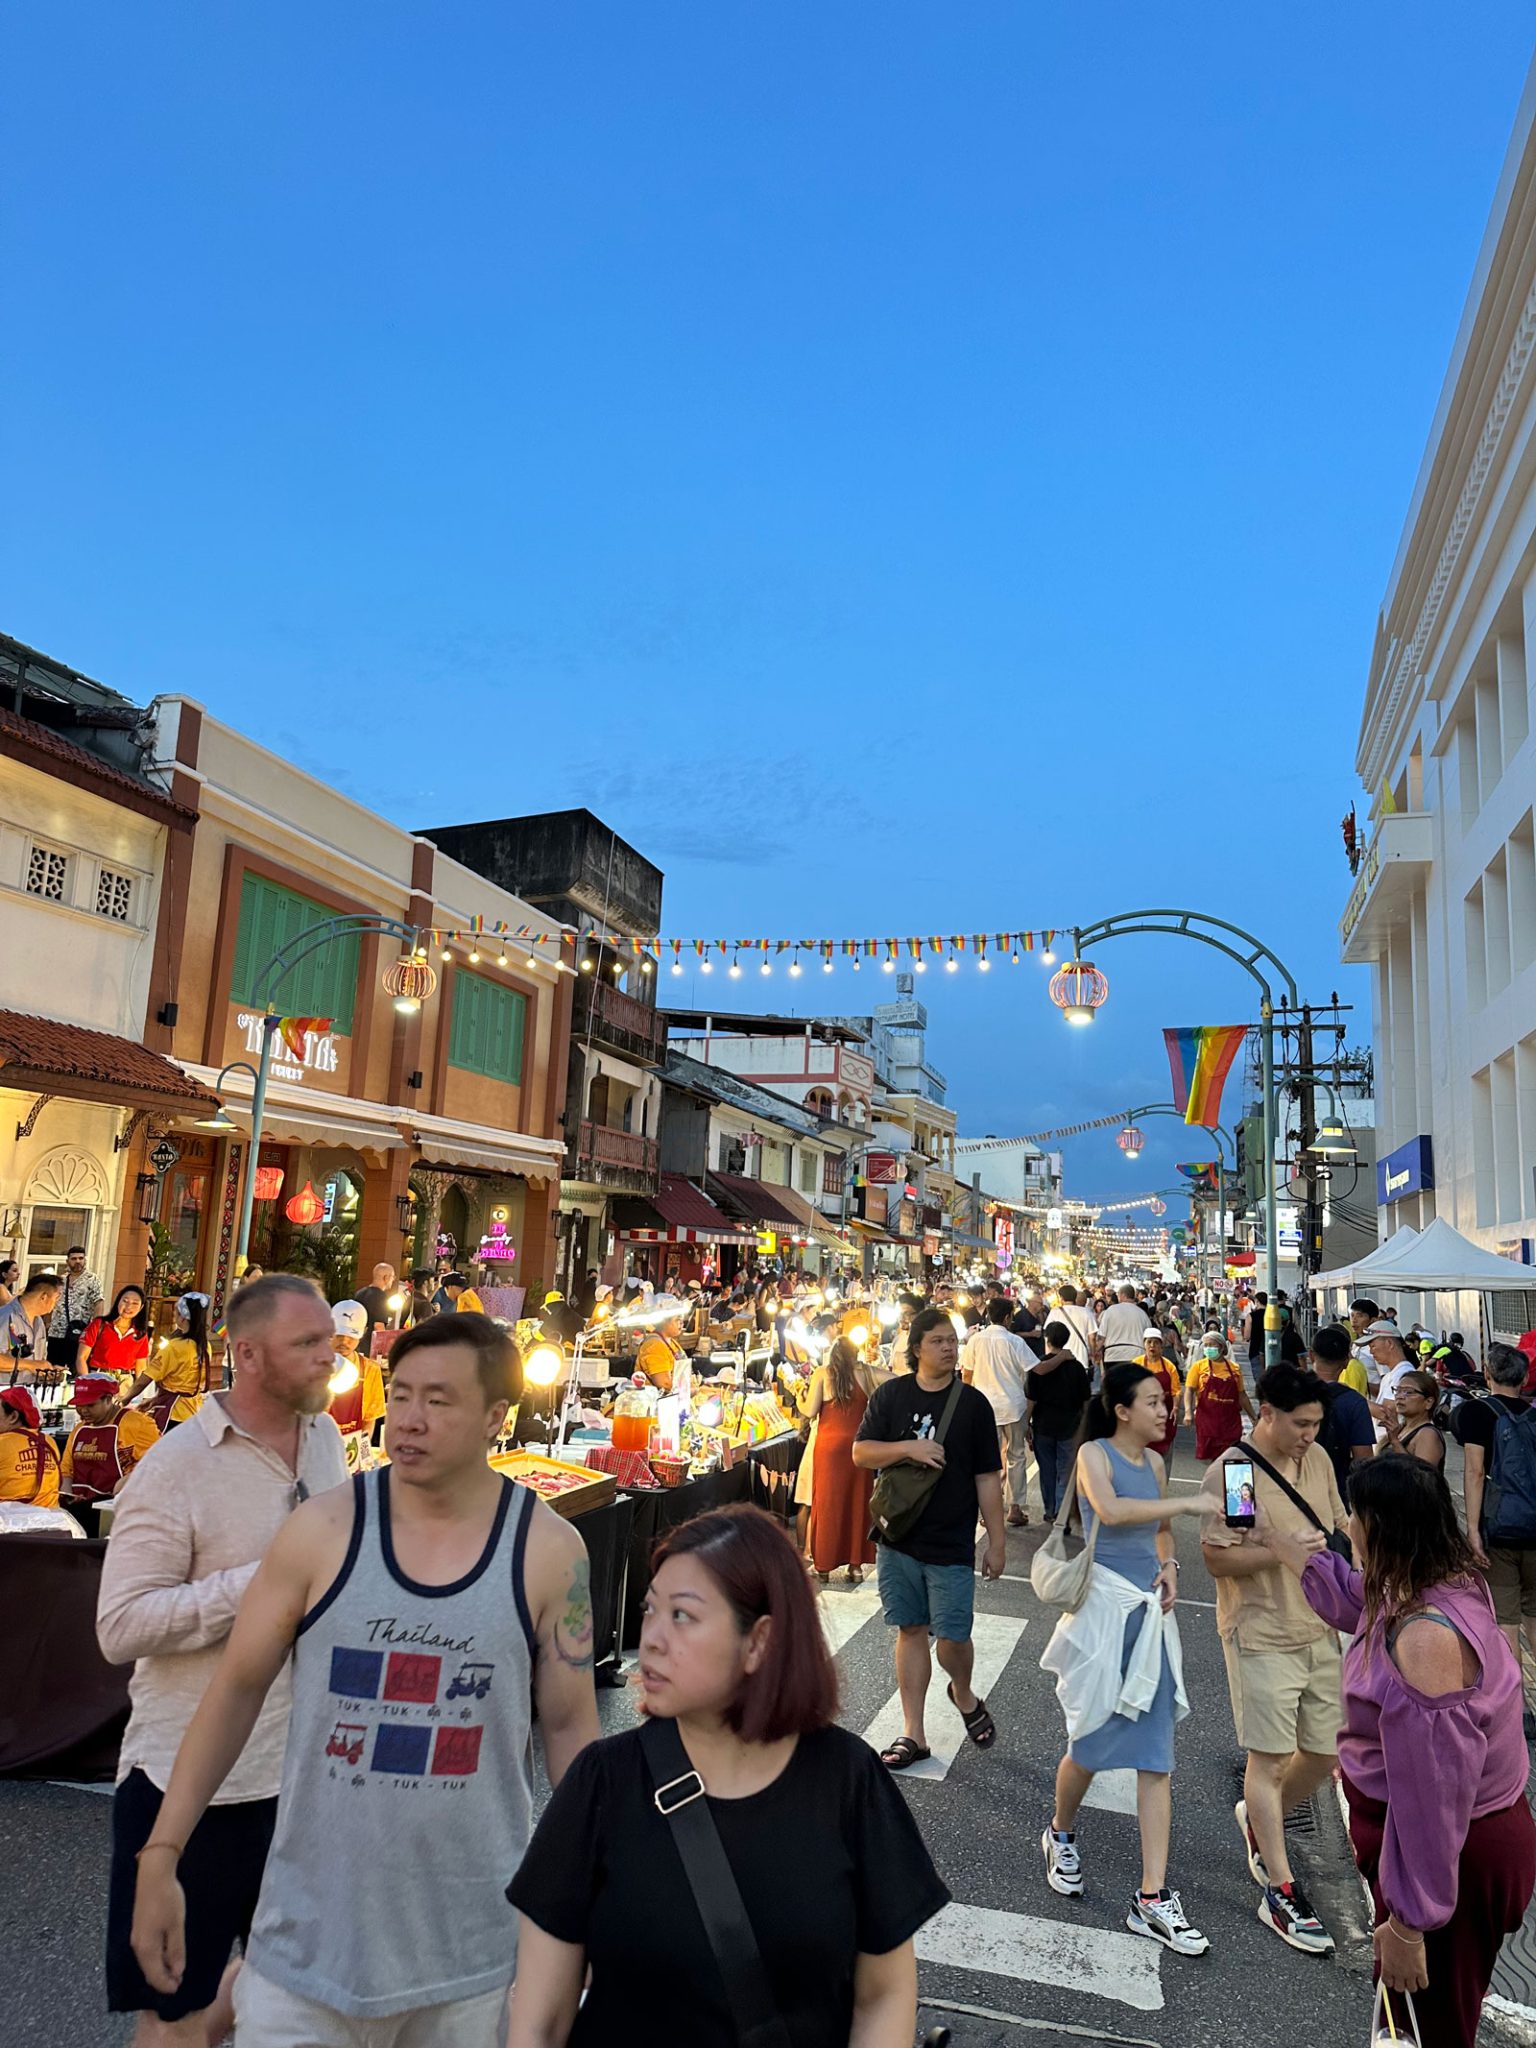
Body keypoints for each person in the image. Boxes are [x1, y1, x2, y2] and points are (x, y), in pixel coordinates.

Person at [129, 1310, 602, 2047]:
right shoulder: (321, 1531)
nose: (408, 1419)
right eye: (401, 1393)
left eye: (438, 1400)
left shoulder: (548, 1550)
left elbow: (571, 1730)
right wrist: (161, 1854)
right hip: (304, 1949)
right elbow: (235, 1692)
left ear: (496, 1418)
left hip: (471, 1955)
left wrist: (592, 1895)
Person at [506, 1504, 948, 2048]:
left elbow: (884, 1994)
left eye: (682, 1616)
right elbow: (540, 2020)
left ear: (759, 1641)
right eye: (650, 1610)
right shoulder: (601, 1782)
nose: (651, 1638)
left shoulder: (849, 1781)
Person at [97, 1273, 350, 2048]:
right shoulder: (178, 1465)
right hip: (188, 1785)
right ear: (248, 1354)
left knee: (298, 1988)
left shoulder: (325, 1439)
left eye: (330, 1340)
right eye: (307, 1342)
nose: (331, 1355)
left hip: (302, 1778)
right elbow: (120, 1627)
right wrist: (264, 1585)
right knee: (172, 2013)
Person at [1258, 1456, 1536, 2048]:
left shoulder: (1426, 1640)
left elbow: (1434, 1801)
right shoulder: (1434, 1582)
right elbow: (1356, 1600)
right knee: (1408, 2020)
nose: (1348, 1526)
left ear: (1381, 1528)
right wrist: (1284, 1545)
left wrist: (1411, 1923)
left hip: (1449, 1862)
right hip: (1445, 1855)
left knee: (1427, 2027)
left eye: (1355, 1515)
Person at [1039, 1363, 1217, 1956]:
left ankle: (1152, 1896)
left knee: (1156, 1756)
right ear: (1121, 1410)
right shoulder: (1095, 1455)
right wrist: (1190, 1505)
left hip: (1150, 1618)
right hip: (1105, 1615)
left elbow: (1159, 1531)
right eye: (1153, 1402)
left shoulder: (1157, 1465)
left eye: (1165, 1401)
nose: (1165, 1411)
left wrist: (1169, 1565)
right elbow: (1112, 1513)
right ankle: (1061, 1832)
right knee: (1089, 1743)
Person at [1201, 1364, 1348, 1956]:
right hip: (1261, 1632)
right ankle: (1280, 1890)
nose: (1310, 1435)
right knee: (1267, 1759)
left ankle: (1259, 1818)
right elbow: (1218, 1558)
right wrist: (1279, 1552)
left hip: (1319, 1630)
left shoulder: (1318, 1460)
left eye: (1316, 1424)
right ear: (1266, 1414)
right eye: (1300, 1424)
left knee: (1326, 1751)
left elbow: (1340, 1524)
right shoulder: (1237, 1474)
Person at [853, 1305, 1006, 1768]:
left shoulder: (973, 1405)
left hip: (952, 1539)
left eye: (952, 1341)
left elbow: (987, 1476)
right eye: (938, 1341)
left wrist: (996, 1541)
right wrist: (909, 1448)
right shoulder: (892, 1394)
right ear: (916, 1348)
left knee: (953, 1639)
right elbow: (861, 1452)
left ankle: (963, 1691)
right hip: (898, 1534)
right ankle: (913, 1733)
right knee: (910, 1628)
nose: (948, 1348)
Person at [1456, 1341, 1536, 1677]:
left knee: (1505, 1624)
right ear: (1525, 1378)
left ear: (1487, 1374)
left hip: (1500, 1529)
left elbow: (1475, 1472)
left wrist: (1473, 1530)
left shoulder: (1476, 1413)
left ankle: (1514, 1703)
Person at [804, 1336, 881, 1584]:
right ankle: (855, 1567)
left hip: (828, 1449)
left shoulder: (821, 1373)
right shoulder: (865, 1374)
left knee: (827, 1504)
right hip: (858, 1446)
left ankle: (823, 1566)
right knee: (858, 1502)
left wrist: (799, 1398)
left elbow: (810, 1410)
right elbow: (896, 1379)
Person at [961, 1297, 1035, 1526]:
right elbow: (1032, 1370)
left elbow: (966, 1374)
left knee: (986, 1460)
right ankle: (1015, 1507)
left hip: (984, 1408)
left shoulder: (975, 1340)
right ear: (1007, 1318)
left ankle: (987, 1511)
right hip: (1013, 1406)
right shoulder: (1015, 1341)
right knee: (1016, 1457)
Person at [1026, 1320, 1091, 1521]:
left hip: (1043, 1425)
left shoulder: (1038, 1366)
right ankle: (1063, 1512)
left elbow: (1031, 1399)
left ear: (1047, 1339)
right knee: (1065, 1471)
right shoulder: (1076, 1367)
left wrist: (1026, 1424)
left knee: (1047, 1471)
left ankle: (1050, 1510)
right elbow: (1086, 1399)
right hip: (1070, 1425)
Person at [61, 1375, 160, 1503]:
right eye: (79, 1405)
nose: (83, 1411)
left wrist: (125, 1483)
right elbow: (66, 1471)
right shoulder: (79, 1429)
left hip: (117, 1503)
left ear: (108, 1399)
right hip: (80, 1504)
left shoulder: (138, 1424)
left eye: (90, 1405)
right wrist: (68, 1495)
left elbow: (156, 1465)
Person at [123, 1294, 212, 1430]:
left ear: (183, 1317)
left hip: (173, 1413)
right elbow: (184, 1386)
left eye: (176, 1312)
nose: (174, 1315)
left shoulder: (175, 1347)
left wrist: (124, 1399)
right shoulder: (206, 1346)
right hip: (194, 1411)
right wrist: (155, 1400)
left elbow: (144, 1380)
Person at [1309, 1325, 1375, 1499]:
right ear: (1346, 1361)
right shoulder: (1354, 1402)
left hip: (1290, 1494)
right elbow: (1363, 1460)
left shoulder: (1290, 1392)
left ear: (1311, 1355)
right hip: (1336, 1494)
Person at [324, 1299, 387, 1469]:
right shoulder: (312, 1366)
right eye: (339, 1335)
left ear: (364, 1332)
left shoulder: (370, 1370)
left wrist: (358, 1456)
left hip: (351, 1456)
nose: (344, 1342)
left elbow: (369, 1420)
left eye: (351, 1336)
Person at [1182, 1331, 1254, 1463]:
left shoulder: (1234, 1369)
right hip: (1207, 1423)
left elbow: (1242, 1395)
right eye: (1206, 1345)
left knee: (1230, 1460)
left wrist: (1253, 1417)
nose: (1208, 1348)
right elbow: (1189, 1390)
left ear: (1221, 1347)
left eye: (1212, 1345)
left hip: (1230, 1424)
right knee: (1210, 1461)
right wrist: (1188, 1412)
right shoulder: (1198, 1367)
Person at [0, 1385, 62, 1505]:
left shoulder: (2, 1443)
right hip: (50, 1514)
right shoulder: (49, 1441)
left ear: (13, 1417)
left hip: (9, 1515)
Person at [77, 1286, 153, 1381]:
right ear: (118, 1301)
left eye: (135, 1303)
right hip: (99, 1378)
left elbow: (141, 1368)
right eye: (125, 1301)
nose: (128, 1307)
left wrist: (139, 1388)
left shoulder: (140, 1333)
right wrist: (87, 1381)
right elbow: (81, 1357)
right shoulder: (99, 1324)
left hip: (126, 1382)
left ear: (141, 1307)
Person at [47, 1243, 105, 1367]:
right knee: (52, 1368)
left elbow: (99, 1302)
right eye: (74, 1259)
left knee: (74, 1368)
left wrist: (96, 1328)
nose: (77, 1261)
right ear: (67, 1261)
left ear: (85, 1260)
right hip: (57, 1332)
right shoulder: (61, 1280)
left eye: (80, 1258)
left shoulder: (92, 1279)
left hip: (78, 1332)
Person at [1382, 1369, 1445, 1471]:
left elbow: (1423, 1475)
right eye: (1398, 1390)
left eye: (1408, 1392)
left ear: (1428, 1402)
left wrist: (1395, 1442)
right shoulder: (1401, 1428)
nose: (1400, 1396)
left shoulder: (1427, 1434)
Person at [3, 1270, 61, 1378]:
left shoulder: (39, 1322)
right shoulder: (5, 1317)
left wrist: (48, 1370)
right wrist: (31, 1365)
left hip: (30, 1386)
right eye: (56, 1298)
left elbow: (37, 1363)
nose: (57, 1304)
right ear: (43, 1297)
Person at [1137, 1330, 1182, 1464]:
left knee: (1164, 1455)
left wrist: (1175, 1407)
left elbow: (1176, 1391)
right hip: (1142, 1416)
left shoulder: (1169, 1366)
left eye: (1156, 1343)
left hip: (1164, 1416)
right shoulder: (1136, 1364)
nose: (1152, 1346)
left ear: (1161, 1346)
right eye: (1149, 1342)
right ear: (1144, 1344)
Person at [1363, 1318, 1416, 1410]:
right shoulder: (1389, 1376)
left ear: (1389, 1343)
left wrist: (1354, 1399)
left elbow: (1388, 1413)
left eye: (1373, 1346)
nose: (1371, 1352)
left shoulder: (1403, 1374)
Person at [635, 1300, 687, 1394]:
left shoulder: (672, 1342)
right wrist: (690, 1390)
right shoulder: (654, 1345)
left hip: (677, 1395)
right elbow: (664, 1383)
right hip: (656, 1399)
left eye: (682, 1319)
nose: (681, 1323)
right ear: (664, 1321)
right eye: (677, 1319)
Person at [1052, 1284, 1102, 1378]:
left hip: (1060, 1357)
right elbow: (1092, 1337)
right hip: (1081, 1357)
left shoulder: (1055, 1312)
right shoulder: (1087, 1312)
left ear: (1061, 1297)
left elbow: (1048, 1336)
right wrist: (1093, 1354)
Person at [1099, 1283, 1152, 1367]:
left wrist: (1095, 1351)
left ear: (1123, 1295)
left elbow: (1102, 1337)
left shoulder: (1110, 1311)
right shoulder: (1142, 1314)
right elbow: (1149, 1338)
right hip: (1137, 1354)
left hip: (1113, 1355)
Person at [350, 1261, 397, 1348]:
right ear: (386, 1278)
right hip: (369, 1346)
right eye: (392, 1276)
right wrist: (384, 1348)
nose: (393, 1280)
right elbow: (378, 1326)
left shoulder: (360, 1293)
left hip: (356, 1343)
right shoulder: (381, 1297)